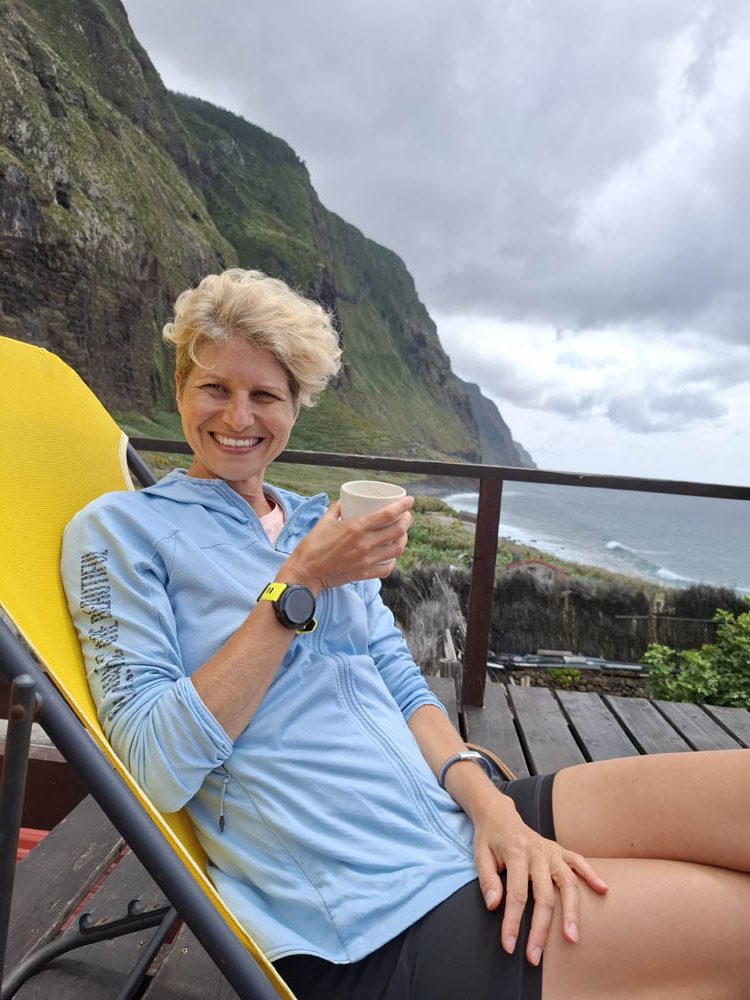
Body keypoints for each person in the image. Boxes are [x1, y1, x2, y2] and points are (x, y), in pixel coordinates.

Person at [61, 268, 750, 1000]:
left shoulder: (320, 521)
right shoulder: (122, 533)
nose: (238, 416)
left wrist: (490, 806)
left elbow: (396, 678)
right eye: (215, 388)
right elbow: (153, 770)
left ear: (294, 407)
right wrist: (299, 583)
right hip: (373, 913)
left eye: (264, 395)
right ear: (179, 388)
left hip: (450, 813)